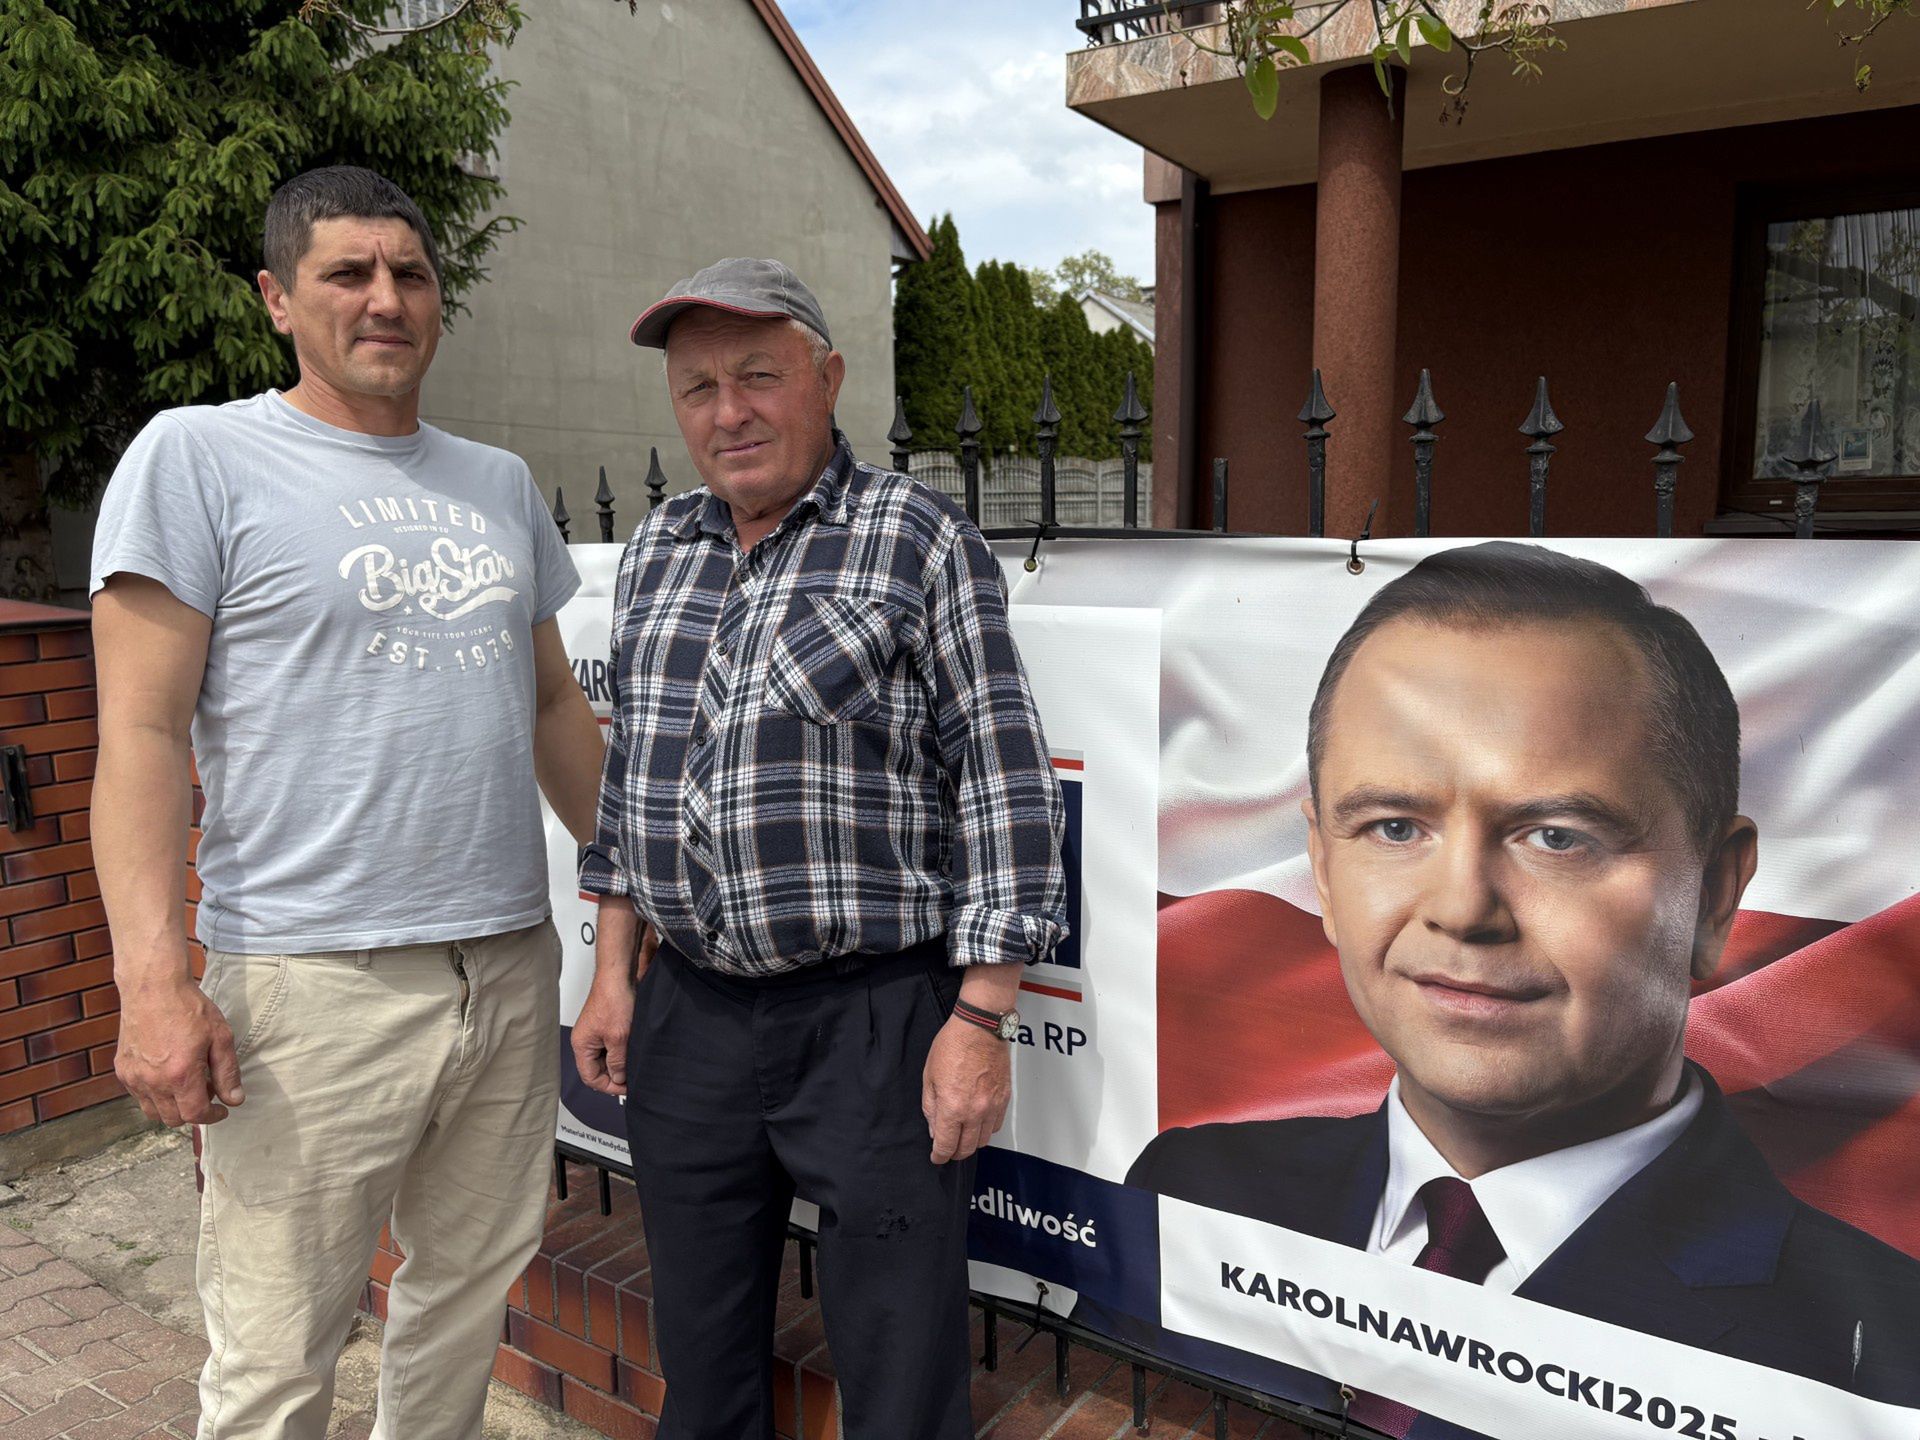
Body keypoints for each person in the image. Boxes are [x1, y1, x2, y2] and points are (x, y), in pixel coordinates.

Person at [1110, 542, 1920, 1432]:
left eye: (1558, 837)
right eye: (1392, 826)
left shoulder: (1881, 1349)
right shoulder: (1189, 1190)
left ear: (1715, 893)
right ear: (1322, 872)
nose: (1462, 910)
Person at [91, 165, 607, 1440]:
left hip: (501, 962)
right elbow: (141, 733)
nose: (386, 298)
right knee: (277, 1347)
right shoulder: (198, 456)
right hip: (310, 984)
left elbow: (551, 708)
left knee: (463, 1300)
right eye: (347, 273)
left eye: (410, 273)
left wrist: (645, 866)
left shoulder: (496, 482)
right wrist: (155, 985)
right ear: (278, 298)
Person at [568, 257, 1067, 1440]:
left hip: (874, 1025)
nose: (728, 412)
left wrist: (981, 1017)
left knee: (900, 1372)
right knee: (703, 1356)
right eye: (698, 389)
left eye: (758, 375)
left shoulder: (916, 538)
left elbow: (1003, 778)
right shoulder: (658, 548)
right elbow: (635, 777)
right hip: (686, 1017)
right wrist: (608, 971)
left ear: (827, 377)